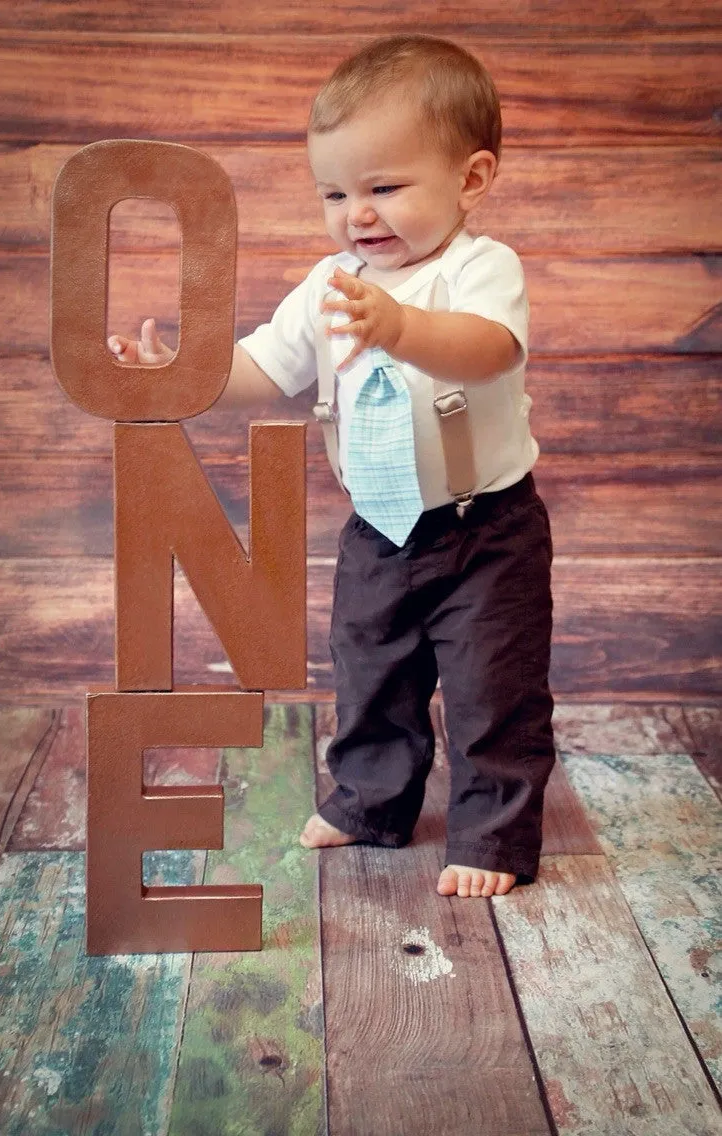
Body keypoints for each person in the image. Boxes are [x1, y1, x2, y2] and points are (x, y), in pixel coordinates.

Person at [108, 34, 556, 900]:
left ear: (471, 180)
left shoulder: (480, 268)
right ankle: (370, 803)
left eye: (385, 188)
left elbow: (489, 351)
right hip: (380, 527)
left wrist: (399, 329)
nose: (358, 214)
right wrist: (182, 370)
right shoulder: (327, 285)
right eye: (336, 193)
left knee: (491, 686)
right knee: (369, 669)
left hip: (486, 528)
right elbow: (265, 370)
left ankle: (494, 835)